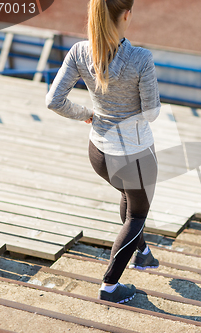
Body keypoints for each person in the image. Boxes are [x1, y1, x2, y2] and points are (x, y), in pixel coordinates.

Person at [46, 0, 161, 303]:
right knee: (137, 214)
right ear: (127, 15)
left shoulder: (80, 52)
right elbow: (151, 114)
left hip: (99, 153)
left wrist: (86, 113)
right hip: (135, 155)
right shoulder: (140, 58)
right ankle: (110, 285)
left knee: (128, 197)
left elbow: (53, 100)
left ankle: (144, 253)